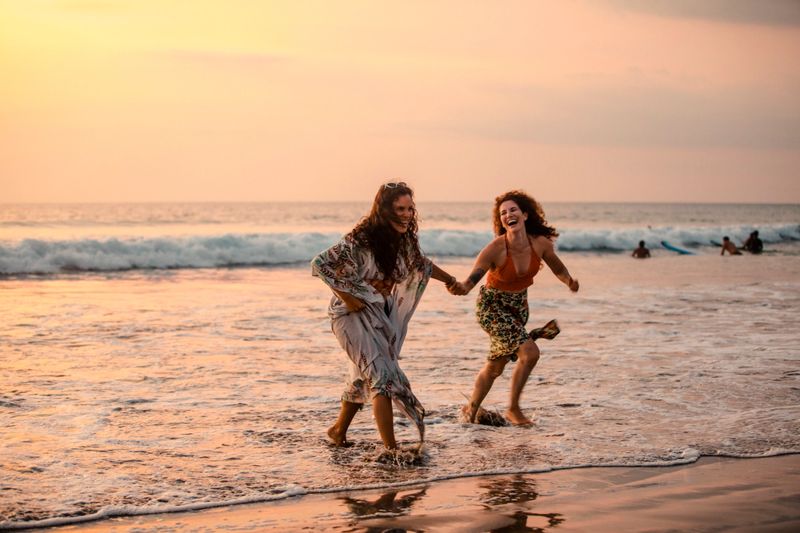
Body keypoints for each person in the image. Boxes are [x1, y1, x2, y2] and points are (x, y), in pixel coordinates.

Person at [311, 181, 458, 452]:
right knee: (381, 376)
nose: (406, 214)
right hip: (349, 315)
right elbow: (321, 264)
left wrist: (450, 280)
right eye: (400, 209)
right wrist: (348, 297)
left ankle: (337, 431)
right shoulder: (361, 238)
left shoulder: (402, 240)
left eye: (410, 209)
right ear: (384, 210)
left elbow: (420, 264)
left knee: (361, 376)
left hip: (379, 313)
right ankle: (391, 450)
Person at [449, 190, 579, 426]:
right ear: (501, 221)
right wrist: (460, 287)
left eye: (513, 210)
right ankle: (513, 409)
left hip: (518, 307)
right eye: (503, 213)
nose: (508, 214)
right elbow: (471, 281)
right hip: (492, 308)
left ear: (525, 215)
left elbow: (558, 269)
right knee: (530, 353)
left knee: (495, 367)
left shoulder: (540, 244)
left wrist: (569, 281)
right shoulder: (495, 249)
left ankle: (470, 411)